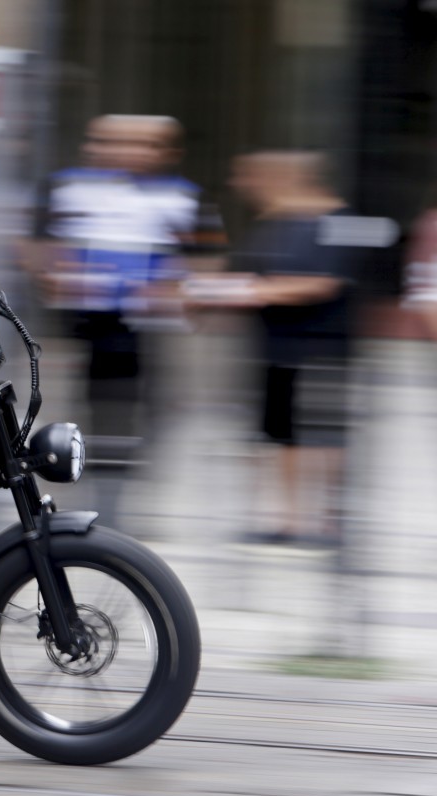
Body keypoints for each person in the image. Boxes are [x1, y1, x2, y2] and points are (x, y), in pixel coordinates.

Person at [25, 115, 201, 520]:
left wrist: (174, 289)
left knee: (145, 417)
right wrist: (60, 275)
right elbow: (36, 249)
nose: (129, 153)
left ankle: (121, 500)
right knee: (90, 415)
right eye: (114, 142)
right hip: (87, 327)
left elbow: (202, 261)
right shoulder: (69, 187)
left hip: (150, 330)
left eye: (145, 145)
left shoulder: (179, 195)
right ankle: (97, 499)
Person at [188, 151, 357, 545]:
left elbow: (321, 283)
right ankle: (290, 520)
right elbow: (245, 272)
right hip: (275, 347)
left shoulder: (336, 220)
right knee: (280, 435)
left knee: (322, 435)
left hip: (321, 348)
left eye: (250, 176)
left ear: (284, 177)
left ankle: (327, 521)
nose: (240, 184)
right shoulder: (272, 222)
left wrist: (248, 291)